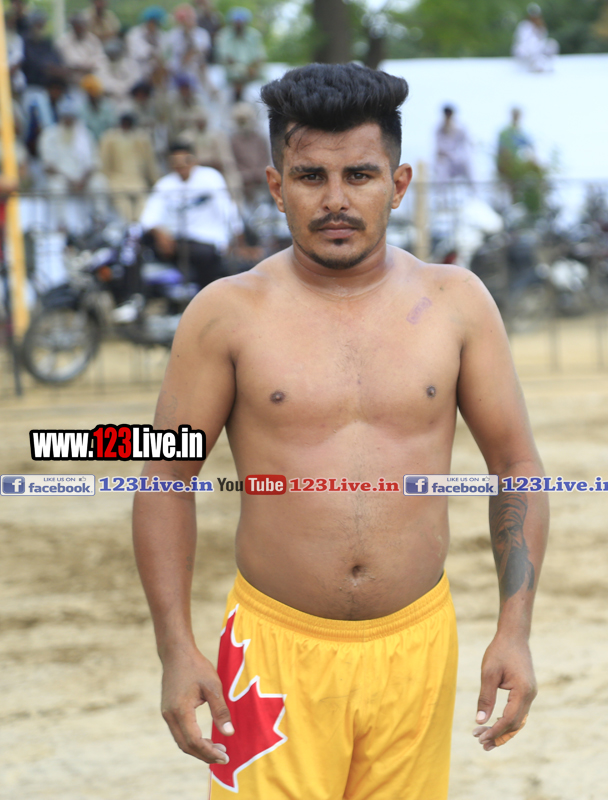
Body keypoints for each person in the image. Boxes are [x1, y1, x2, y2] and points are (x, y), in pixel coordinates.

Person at [132, 63, 547, 798]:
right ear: (275, 185)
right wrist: (175, 648)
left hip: (417, 645)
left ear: (399, 182)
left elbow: (515, 465)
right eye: (310, 176)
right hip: (271, 651)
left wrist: (515, 626)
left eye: (359, 175)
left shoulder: (457, 303)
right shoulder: (226, 314)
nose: (335, 200)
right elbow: (165, 481)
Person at [138, 140, 242, 290]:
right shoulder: (165, 184)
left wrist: (238, 238)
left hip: (208, 239)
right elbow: (148, 218)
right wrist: (159, 232)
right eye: (175, 162)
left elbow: (227, 210)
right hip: (177, 241)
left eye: (185, 160)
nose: (181, 166)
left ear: (194, 159)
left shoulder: (210, 177)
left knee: (205, 256)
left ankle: (207, 296)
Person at [38, 95, 109, 233]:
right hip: (62, 177)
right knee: (56, 187)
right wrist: (70, 180)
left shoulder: (85, 135)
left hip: (82, 178)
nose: (69, 120)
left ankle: (100, 220)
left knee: (100, 182)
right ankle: (61, 224)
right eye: (66, 117)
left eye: (71, 117)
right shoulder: (50, 134)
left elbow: (94, 162)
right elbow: (48, 165)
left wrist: (83, 179)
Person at [99, 112, 159, 221]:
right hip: (117, 181)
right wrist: (106, 181)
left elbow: (150, 162)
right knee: (125, 212)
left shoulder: (142, 138)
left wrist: (156, 181)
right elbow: (104, 163)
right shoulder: (109, 138)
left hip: (137, 181)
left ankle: (138, 229)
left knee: (143, 211)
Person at [213, 7, 264, 102]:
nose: (239, 24)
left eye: (241, 22)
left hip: (252, 73)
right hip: (230, 72)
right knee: (237, 73)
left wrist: (252, 68)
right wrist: (243, 69)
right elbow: (225, 57)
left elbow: (259, 57)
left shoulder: (254, 35)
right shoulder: (224, 35)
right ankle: (237, 97)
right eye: (236, 22)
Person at [229, 101, 270, 205]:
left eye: (245, 120)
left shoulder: (259, 138)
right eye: (241, 121)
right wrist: (247, 174)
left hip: (260, 175)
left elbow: (265, 158)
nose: (244, 124)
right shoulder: (234, 140)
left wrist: (259, 171)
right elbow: (233, 162)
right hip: (243, 177)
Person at [165, 3, 210, 88]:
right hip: (177, 68)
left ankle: (208, 87)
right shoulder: (172, 35)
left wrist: (189, 36)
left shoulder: (202, 33)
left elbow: (201, 51)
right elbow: (173, 54)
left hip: (197, 68)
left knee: (200, 63)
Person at [56, 12, 108, 81]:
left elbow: (100, 59)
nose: (80, 28)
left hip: (92, 78)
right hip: (71, 79)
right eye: (77, 25)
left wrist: (88, 66)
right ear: (72, 26)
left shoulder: (93, 40)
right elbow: (66, 61)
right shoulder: (63, 41)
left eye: (82, 25)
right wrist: (79, 67)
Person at [126, 6, 169, 84]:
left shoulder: (160, 34)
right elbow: (143, 53)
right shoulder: (134, 34)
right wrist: (155, 56)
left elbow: (163, 53)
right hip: (137, 71)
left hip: (154, 74)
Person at [434, 104, 473, 188]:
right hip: (446, 161)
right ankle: (441, 193)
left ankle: (474, 191)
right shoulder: (439, 129)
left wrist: (458, 156)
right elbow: (439, 149)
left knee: (469, 164)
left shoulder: (460, 128)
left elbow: (465, 145)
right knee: (442, 168)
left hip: (458, 160)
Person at [511, 4, 557, 73]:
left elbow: (542, 39)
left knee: (552, 43)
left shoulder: (541, 26)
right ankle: (535, 65)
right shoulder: (524, 25)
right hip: (525, 50)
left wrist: (538, 28)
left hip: (538, 51)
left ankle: (546, 64)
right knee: (532, 46)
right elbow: (522, 40)